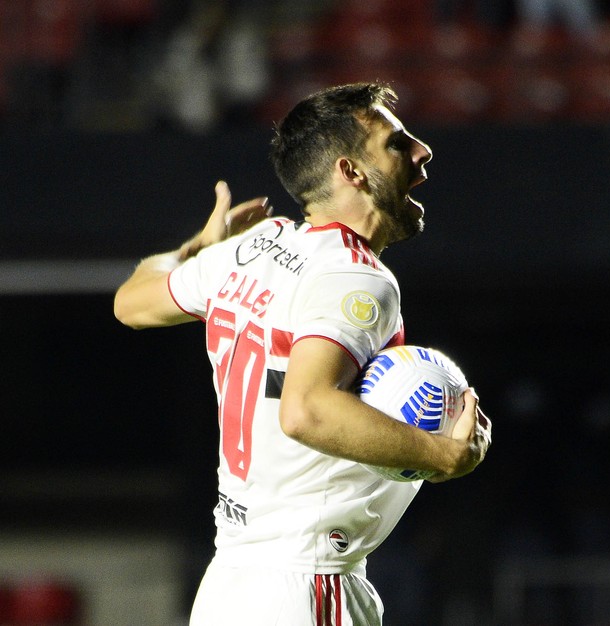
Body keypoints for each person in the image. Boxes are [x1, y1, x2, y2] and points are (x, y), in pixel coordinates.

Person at [113, 82, 492, 625]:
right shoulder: (357, 278)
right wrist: (443, 457)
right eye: (396, 142)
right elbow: (306, 410)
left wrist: (189, 252)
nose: (421, 151)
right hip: (306, 583)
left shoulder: (250, 247)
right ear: (352, 171)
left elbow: (131, 304)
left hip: (230, 584)